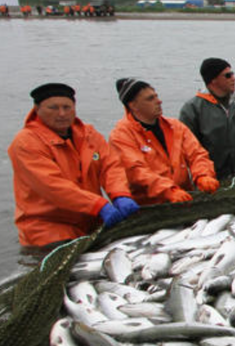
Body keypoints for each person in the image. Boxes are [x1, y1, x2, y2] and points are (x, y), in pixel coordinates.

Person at [8, 82, 139, 248]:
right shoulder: (26, 142)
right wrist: (99, 205)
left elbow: (110, 166)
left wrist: (120, 194)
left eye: (67, 107)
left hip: (90, 223)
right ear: (37, 109)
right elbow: (52, 186)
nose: (62, 113)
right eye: (53, 108)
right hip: (47, 230)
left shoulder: (88, 134)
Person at [109, 78, 221, 205]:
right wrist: (169, 191)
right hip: (149, 207)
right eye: (150, 99)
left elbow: (197, 154)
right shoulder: (121, 136)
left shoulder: (175, 126)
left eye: (156, 96)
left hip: (185, 199)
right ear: (133, 105)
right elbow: (136, 172)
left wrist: (203, 175)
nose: (159, 101)